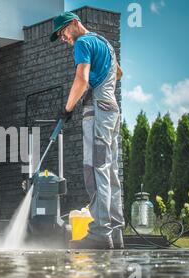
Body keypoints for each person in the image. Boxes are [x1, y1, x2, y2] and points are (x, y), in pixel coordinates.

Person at [51, 12, 125, 249]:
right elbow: (119, 73)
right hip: (111, 110)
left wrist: (67, 108)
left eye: (62, 31)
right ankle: (115, 232)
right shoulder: (104, 43)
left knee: (95, 168)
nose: (62, 37)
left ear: (74, 23)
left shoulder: (82, 42)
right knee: (109, 170)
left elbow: (81, 80)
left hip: (97, 111)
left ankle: (100, 233)